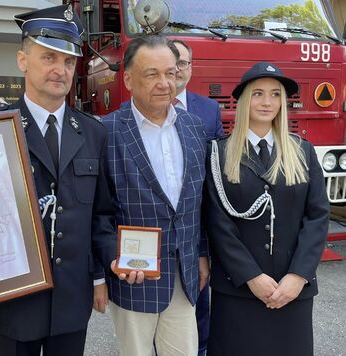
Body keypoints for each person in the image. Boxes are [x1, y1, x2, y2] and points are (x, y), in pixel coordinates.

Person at [0, 5, 144, 356]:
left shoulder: (93, 133)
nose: (60, 70)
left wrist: (114, 257)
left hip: (69, 304)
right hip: (9, 303)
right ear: (22, 60)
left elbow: (101, 214)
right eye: (48, 57)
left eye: (68, 62)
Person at [204, 62, 329, 356]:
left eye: (275, 95)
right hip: (238, 291)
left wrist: (298, 276)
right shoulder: (218, 153)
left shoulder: (302, 151)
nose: (267, 102)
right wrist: (251, 276)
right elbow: (217, 222)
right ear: (245, 99)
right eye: (258, 93)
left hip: (292, 292)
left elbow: (318, 216)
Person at [102, 35, 207, 356]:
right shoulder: (106, 132)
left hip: (185, 273)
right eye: (152, 74)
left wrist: (202, 252)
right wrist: (110, 259)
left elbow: (200, 203)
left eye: (171, 73)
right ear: (129, 79)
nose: (165, 83)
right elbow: (98, 210)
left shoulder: (194, 127)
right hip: (133, 276)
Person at [172, 39, 223, 356]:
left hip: (196, 229)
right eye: (172, 60)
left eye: (184, 62)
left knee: (199, 308)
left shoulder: (209, 110)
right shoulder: (130, 112)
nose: (177, 68)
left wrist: (206, 245)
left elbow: (214, 177)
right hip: (153, 233)